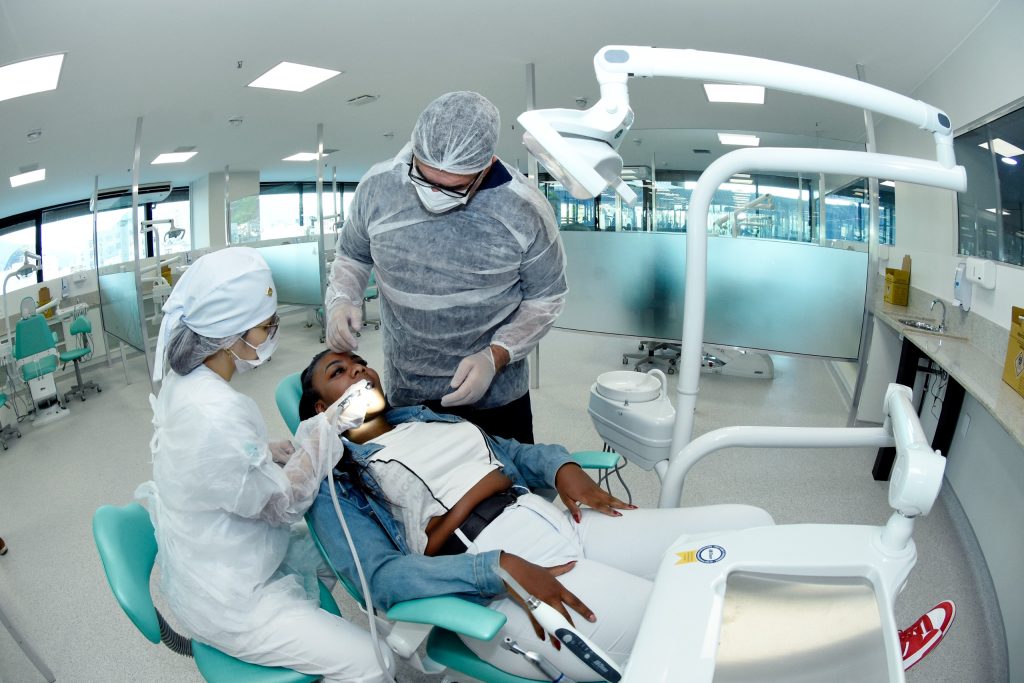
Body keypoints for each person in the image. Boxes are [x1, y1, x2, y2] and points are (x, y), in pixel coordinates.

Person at [299, 349, 957, 679]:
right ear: (319, 410)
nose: (356, 370)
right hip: (504, 581)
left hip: (557, 522)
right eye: (336, 372)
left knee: (750, 522)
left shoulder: (423, 417)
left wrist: (562, 468)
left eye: (357, 361)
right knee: (692, 617)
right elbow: (379, 579)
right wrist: (493, 567)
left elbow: (513, 453)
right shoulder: (338, 478)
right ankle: (850, 656)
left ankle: (841, 632)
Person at [135, 248, 392, 683]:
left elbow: (208, 461)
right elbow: (282, 505)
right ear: (229, 335)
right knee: (375, 661)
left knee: (343, 546)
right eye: (266, 325)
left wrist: (263, 452)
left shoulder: (189, 381)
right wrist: (327, 428)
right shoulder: (218, 412)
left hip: (218, 546)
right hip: (230, 598)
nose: (274, 332)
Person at [324, 90, 567, 444]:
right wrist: (343, 298)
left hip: (496, 397)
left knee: (507, 473)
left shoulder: (524, 210)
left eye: (453, 187)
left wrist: (496, 356)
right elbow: (353, 255)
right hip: (408, 390)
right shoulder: (378, 188)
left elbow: (546, 297)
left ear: (486, 166)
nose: (434, 193)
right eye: (424, 178)